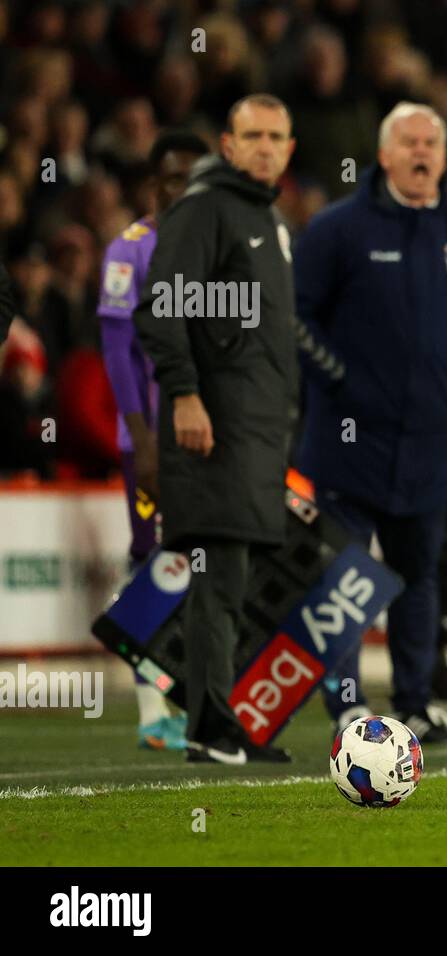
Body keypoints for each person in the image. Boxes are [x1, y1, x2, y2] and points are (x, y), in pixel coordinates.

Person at [292, 102, 447, 744]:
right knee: (345, 579)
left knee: (419, 578)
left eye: (431, 144)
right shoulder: (337, 229)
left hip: (430, 444)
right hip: (346, 443)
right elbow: (297, 318)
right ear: (382, 155)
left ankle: (414, 701)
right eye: (408, 143)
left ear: (444, 158)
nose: (420, 154)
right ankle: (348, 709)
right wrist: (341, 382)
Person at [132, 94, 300, 765]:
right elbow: (160, 307)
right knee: (217, 577)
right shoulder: (204, 208)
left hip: (257, 430)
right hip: (214, 427)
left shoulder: (267, 219)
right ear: (226, 146)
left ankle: (220, 718)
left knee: (234, 582)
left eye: (277, 136)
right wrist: (184, 395)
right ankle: (209, 725)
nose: (265, 146)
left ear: (290, 148)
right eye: (251, 135)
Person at [97, 129, 209, 751]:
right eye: (172, 177)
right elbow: (117, 352)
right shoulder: (129, 249)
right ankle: (148, 707)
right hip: (149, 441)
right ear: (153, 185)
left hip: (207, 440)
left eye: (195, 177)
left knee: (200, 566)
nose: (184, 188)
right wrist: (141, 440)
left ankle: (192, 697)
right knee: (154, 563)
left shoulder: (211, 246)